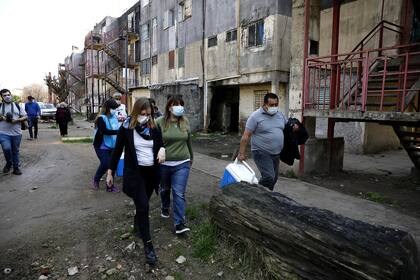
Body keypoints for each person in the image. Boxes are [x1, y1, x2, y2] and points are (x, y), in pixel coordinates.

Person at [106, 97, 165, 265]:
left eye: (148, 114)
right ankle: (148, 247)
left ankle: (137, 226)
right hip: (135, 173)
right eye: (142, 113)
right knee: (144, 206)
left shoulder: (153, 126)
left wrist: (162, 150)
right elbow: (116, 152)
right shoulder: (126, 128)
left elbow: (161, 144)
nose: (145, 117)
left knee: (142, 204)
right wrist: (110, 172)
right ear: (135, 112)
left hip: (151, 173)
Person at [156, 95, 193, 234]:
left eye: (181, 104)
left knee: (178, 193)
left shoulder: (185, 122)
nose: (179, 107)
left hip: (182, 162)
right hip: (164, 164)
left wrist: (191, 157)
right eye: (176, 104)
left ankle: (179, 224)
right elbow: (153, 141)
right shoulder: (159, 122)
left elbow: (188, 141)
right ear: (169, 107)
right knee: (165, 189)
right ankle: (165, 206)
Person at [238, 92, 287, 191]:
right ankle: (255, 194)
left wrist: (294, 127)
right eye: (271, 105)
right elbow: (246, 136)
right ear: (264, 104)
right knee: (269, 177)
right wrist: (241, 153)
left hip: (276, 153)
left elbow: (287, 127)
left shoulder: (280, 115)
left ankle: (266, 197)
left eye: (276, 105)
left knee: (273, 179)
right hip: (261, 152)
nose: (274, 107)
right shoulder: (255, 116)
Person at [92, 99, 120, 192]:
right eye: (113, 108)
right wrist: (118, 132)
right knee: (105, 164)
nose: (115, 110)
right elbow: (104, 131)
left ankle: (110, 186)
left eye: (116, 108)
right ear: (108, 108)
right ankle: (96, 180)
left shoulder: (114, 117)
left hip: (112, 145)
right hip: (101, 145)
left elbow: (117, 127)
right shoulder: (101, 118)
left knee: (112, 166)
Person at [0, 89, 27, 175]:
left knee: (15, 151)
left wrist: (17, 120)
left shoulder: (17, 105)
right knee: (7, 148)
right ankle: (9, 162)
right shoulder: (0, 106)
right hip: (3, 132)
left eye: (8, 95)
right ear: (2, 97)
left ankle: (16, 168)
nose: (7, 97)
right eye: (4, 95)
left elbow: (25, 117)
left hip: (16, 133)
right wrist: (2, 118)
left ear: (11, 95)